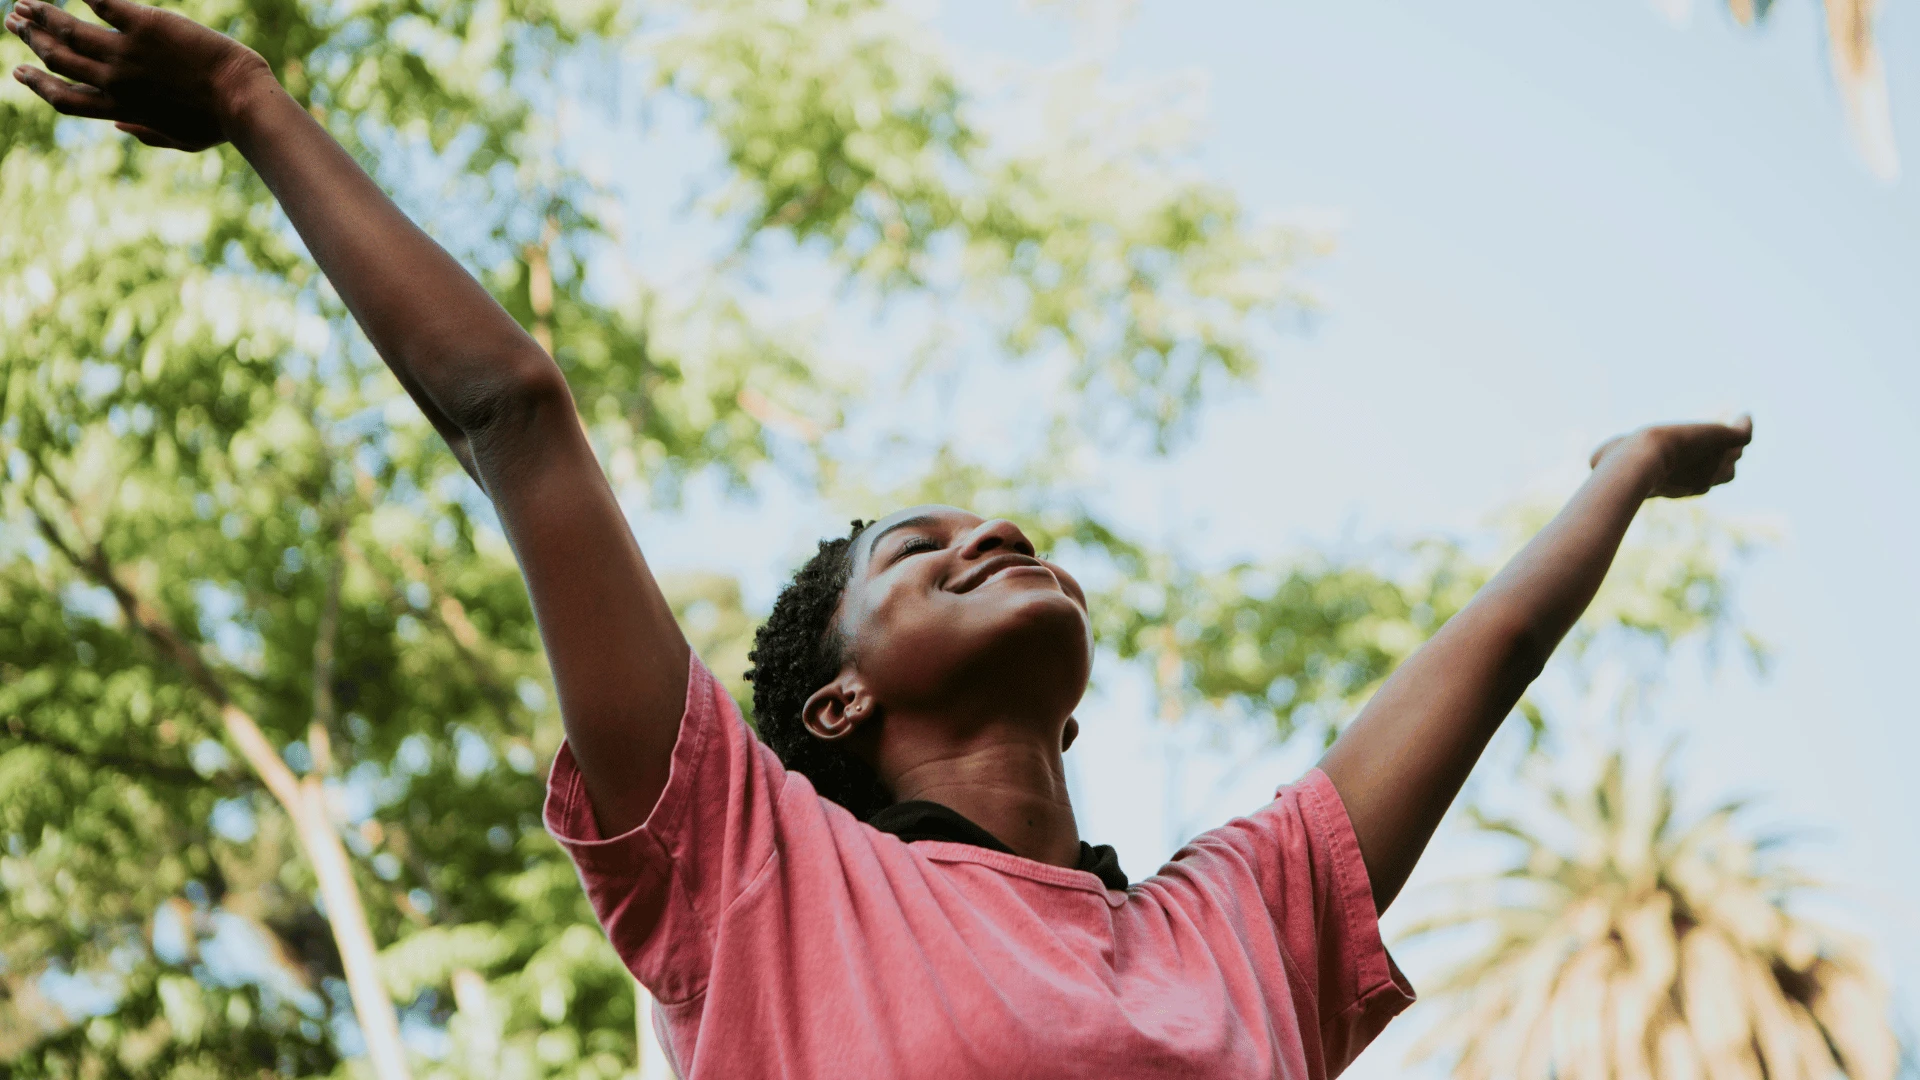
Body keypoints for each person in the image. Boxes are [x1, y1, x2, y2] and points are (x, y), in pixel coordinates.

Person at [7, 3, 1753, 1076]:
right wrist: (249, 99)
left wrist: (1621, 474)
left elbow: (1495, 654)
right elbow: (516, 418)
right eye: (924, 553)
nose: (992, 531)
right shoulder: (753, 867)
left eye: (1002, 528)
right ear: (833, 708)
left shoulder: (1245, 925)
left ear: (1077, 714)